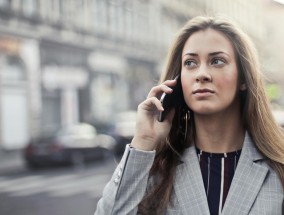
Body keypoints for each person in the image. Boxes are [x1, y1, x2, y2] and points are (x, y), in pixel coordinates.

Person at [95, 16, 284, 215]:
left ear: (244, 79)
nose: (201, 74)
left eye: (217, 61)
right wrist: (143, 141)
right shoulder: (156, 171)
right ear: (178, 82)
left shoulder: (278, 167)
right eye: (191, 63)